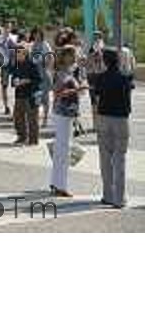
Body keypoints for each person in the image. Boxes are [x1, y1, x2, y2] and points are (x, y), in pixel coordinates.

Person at [93, 49, 133, 208]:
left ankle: (107, 194)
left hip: (104, 117)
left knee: (105, 158)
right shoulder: (125, 78)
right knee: (120, 158)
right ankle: (119, 198)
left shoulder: (100, 78)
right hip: (121, 119)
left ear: (105, 61)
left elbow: (96, 98)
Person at [50, 45, 84, 197]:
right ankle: (60, 186)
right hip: (63, 112)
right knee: (63, 151)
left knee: (61, 150)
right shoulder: (61, 73)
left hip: (67, 112)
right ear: (67, 56)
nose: (76, 57)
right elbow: (58, 93)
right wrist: (76, 90)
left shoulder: (69, 71)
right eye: (74, 54)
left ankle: (56, 182)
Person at [10, 42, 43, 145]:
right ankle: (22, 136)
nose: (18, 54)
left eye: (20, 52)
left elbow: (39, 79)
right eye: (17, 52)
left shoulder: (32, 64)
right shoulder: (16, 64)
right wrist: (14, 82)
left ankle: (33, 139)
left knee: (32, 118)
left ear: (26, 53)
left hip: (31, 94)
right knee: (18, 116)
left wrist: (26, 81)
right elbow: (13, 78)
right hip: (19, 94)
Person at [30, 27, 54, 128]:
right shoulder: (32, 45)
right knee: (36, 96)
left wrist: (47, 67)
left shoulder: (45, 45)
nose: (37, 36)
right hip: (34, 73)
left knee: (45, 97)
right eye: (35, 34)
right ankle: (36, 118)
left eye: (39, 34)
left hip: (43, 72)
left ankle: (45, 119)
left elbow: (50, 57)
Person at [0, 22, 17, 115]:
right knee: (4, 86)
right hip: (3, 64)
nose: (7, 29)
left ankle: (14, 105)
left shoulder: (14, 38)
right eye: (6, 27)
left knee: (15, 85)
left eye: (9, 27)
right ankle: (6, 106)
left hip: (13, 64)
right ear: (3, 28)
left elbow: (17, 50)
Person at [85, 30, 106, 133]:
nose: (96, 38)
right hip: (93, 76)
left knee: (99, 101)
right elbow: (88, 61)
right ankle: (95, 125)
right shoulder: (91, 48)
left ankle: (100, 124)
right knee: (94, 102)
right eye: (95, 36)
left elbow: (102, 61)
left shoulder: (102, 48)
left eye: (98, 36)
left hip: (99, 76)